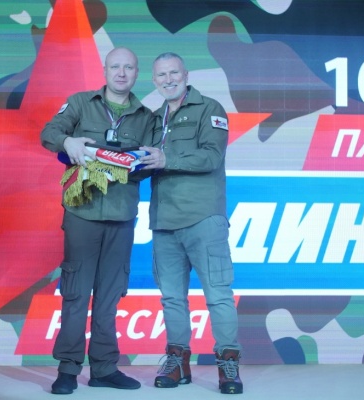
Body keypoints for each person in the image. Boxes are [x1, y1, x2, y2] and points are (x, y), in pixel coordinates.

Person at [40, 47, 154, 395]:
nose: (121, 73)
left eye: (129, 67)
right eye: (115, 66)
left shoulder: (146, 117)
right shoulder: (80, 103)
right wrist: (68, 141)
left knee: (109, 296)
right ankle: (68, 369)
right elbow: (49, 133)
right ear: (105, 70)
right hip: (82, 214)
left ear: (136, 73)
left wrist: (128, 163)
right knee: (76, 293)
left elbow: (149, 164)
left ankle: (104, 369)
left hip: (122, 217)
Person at [140, 52, 243, 395]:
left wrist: (166, 157)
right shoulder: (153, 119)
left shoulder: (209, 109)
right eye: (161, 75)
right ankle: (178, 362)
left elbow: (211, 156)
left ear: (185, 75)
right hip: (164, 222)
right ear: (154, 81)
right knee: (171, 298)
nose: (168, 79)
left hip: (203, 219)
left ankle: (228, 364)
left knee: (218, 296)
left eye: (174, 73)